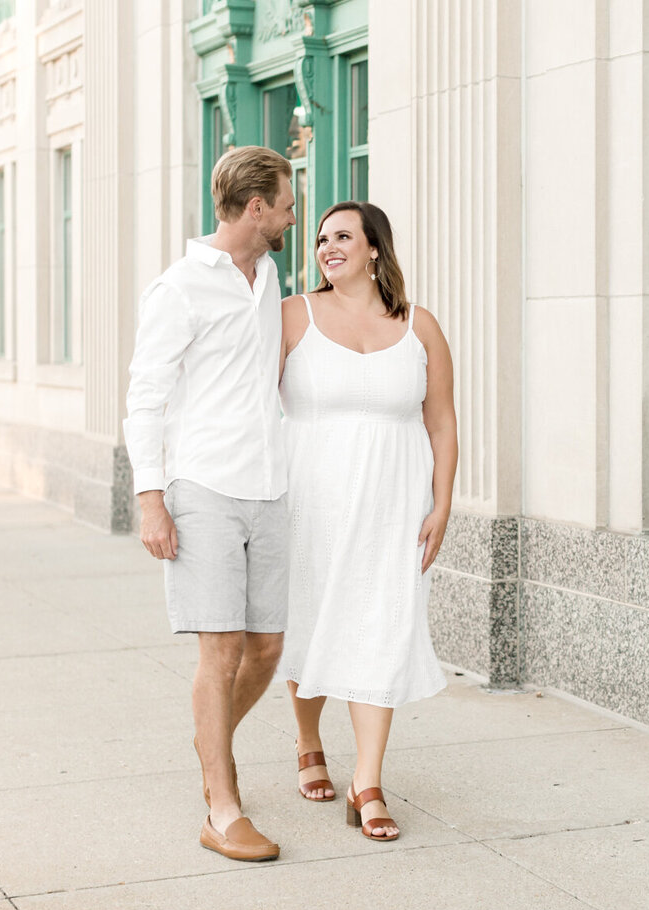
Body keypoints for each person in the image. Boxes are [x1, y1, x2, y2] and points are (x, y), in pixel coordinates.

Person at [123, 146, 297, 862]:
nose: (293, 215)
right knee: (220, 649)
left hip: (271, 486)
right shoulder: (179, 288)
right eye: (287, 204)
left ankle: (209, 743)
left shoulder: (269, 273)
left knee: (268, 647)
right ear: (256, 209)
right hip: (203, 488)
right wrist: (150, 499)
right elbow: (145, 396)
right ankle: (221, 807)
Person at [277, 201, 457, 842]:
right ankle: (307, 742)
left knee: (381, 628)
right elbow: (251, 406)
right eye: (321, 237)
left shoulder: (420, 326)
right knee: (313, 622)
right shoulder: (292, 316)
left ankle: (368, 782)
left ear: (374, 248)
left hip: (394, 504)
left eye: (342, 236)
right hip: (311, 501)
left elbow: (441, 423)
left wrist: (441, 504)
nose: (327, 246)